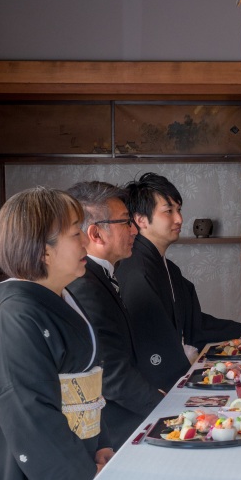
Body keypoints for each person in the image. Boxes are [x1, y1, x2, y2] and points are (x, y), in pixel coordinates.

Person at [0, 187, 113, 480]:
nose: (84, 244)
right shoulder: (17, 319)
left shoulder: (60, 301)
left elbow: (88, 393)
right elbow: (32, 420)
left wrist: (100, 445)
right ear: (43, 251)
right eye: (76, 234)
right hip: (34, 479)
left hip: (79, 453)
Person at [116, 172, 241, 391]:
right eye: (168, 211)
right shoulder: (136, 271)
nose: (179, 219)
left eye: (178, 210)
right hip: (154, 386)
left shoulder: (166, 268)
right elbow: (150, 342)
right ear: (140, 219)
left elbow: (193, 322)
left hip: (174, 373)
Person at [66, 181, 164, 449]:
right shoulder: (84, 285)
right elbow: (110, 371)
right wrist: (164, 409)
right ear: (96, 233)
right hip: (113, 428)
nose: (134, 230)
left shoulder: (101, 276)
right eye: (125, 222)